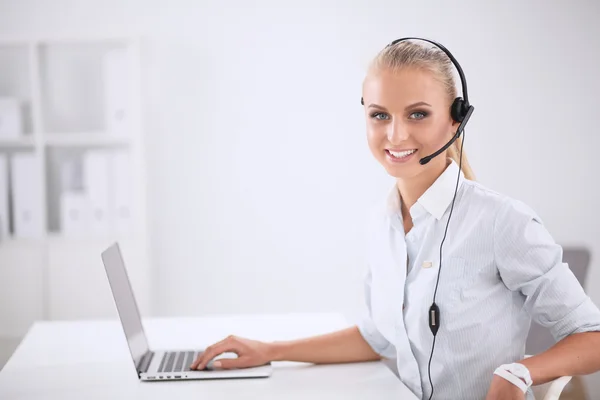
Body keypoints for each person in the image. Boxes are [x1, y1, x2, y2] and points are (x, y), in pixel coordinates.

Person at [190, 39, 600, 400]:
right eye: (380, 115)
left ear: (457, 119)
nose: (396, 136)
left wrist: (521, 371)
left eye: (418, 114)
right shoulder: (382, 222)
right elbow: (381, 338)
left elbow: (592, 338)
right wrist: (271, 351)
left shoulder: (501, 222)